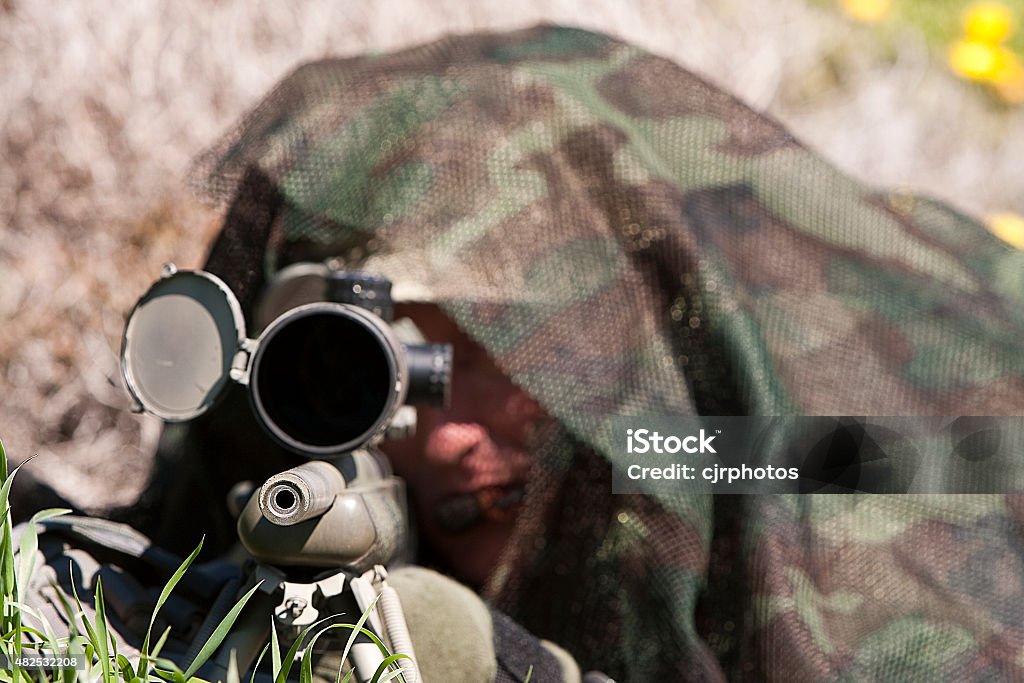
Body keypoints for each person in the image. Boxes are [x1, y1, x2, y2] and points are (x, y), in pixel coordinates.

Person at [18, 24, 1024, 682]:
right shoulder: (347, 457)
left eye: (509, 352)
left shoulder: (751, 448)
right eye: (384, 358)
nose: (446, 431)